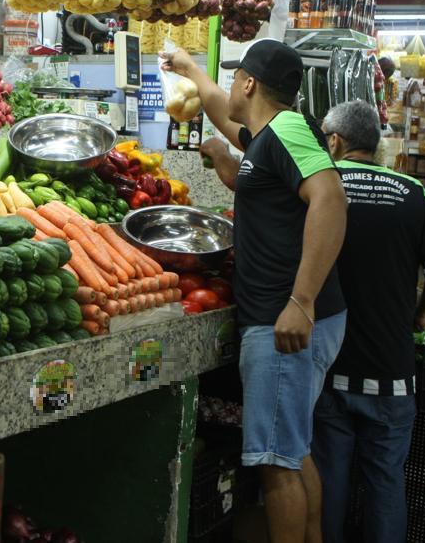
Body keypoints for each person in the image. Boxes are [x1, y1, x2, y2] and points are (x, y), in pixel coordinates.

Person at [161, 39, 348, 543]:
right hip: (291, 315)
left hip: (284, 320)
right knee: (293, 449)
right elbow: (230, 124)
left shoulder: (286, 130)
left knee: (276, 465)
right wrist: (193, 72)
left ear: (249, 82)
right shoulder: (271, 135)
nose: (228, 90)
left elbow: (330, 199)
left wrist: (300, 301)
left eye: (234, 77)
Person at [310, 100, 425, 543]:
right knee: (387, 483)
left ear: (334, 141)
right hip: (392, 374)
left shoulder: (322, 187)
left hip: (332, 367)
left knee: (329, 480)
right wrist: (420, 311)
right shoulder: (412, 192)